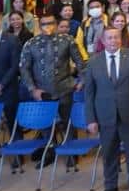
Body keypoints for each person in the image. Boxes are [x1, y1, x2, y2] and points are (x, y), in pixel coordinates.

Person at [84, 26, 129, 191]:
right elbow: (89, 93)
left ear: (120, 39)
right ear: (103, 41)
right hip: (105, 116)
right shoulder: (93, 62)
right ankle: (110, 186)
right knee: (109, 153)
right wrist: (90, 118)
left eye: (116, 37)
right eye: (109, 38)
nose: (113, 41)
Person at [20, 12, 86, 146]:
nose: (47, 26)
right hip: (41, 91)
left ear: (56, 25)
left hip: (64, 88)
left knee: (68, 121)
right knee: (45, 123)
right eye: (44, 24)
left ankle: (71, 152)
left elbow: (80, 62)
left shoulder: (68, 40)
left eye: (50, 23)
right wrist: (33, 89)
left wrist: (82, 80)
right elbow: (24, 68)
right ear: (39, 26)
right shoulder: (31, 43)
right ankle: (50, 150)